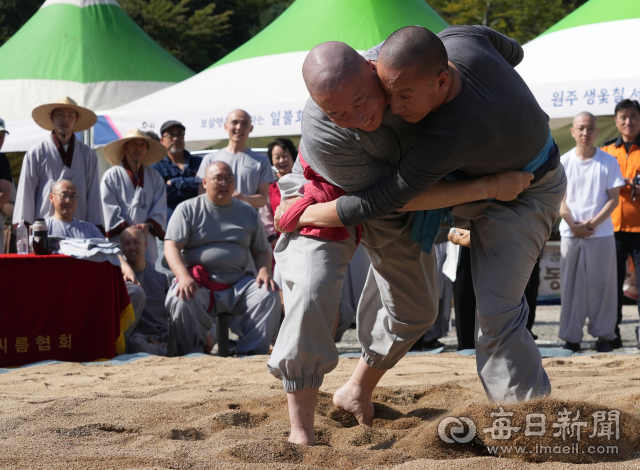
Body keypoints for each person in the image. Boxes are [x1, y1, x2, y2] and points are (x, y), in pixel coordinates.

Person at [277, 25, 565, 422]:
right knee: (324, 287)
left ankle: (524, 416)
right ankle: (309, 419)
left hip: (506, 189)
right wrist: (311, 212)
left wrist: (491, 175)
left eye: (400, 96)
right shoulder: (452, 49)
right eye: (339, 113)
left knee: (463, 310)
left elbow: (392, 196)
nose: (387, 109)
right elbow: (385, 201)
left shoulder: (439, 112)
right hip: (372, 191)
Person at [164, 161, 281, 356]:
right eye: (218, 178)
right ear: (205, 182)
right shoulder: (187, 209)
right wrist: (183, 276)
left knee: (268, 293)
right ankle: (194, 352)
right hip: (199, 283)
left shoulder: (248, 212)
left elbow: (261, 250)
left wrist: (264, 271)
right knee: (181, 297)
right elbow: (171, 246)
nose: (224, 183)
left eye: (229, 179)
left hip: (238, 283)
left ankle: (251, 352)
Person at [559, 112, 624, 353]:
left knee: (603, 286)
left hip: (602, 233)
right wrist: (573, 224)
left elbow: (613, 199)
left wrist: (592, 223)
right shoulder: (563, 162)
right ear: (573, 131)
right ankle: (571, 337)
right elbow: (559, 199)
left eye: (590, 128)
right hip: (570, 232)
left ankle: (604, 335)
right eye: (581, 128)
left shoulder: (608, 161)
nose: (585, 133)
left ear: (597, 131)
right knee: (571, 287)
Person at [13, 97, 103, 233]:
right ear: (51, 117)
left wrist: (96, 230)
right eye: (60, 114)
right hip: (44, 230)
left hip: (80, 231)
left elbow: (94, 195)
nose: (65, 120)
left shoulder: (88, 155)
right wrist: (24, 229)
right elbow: (26, 193)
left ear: (76, 120)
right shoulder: (36, 152)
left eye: (70, 115)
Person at [601, 99, 640, 349]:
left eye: (633, 116)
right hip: (612, 228)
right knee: (612, 285)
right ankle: (610, 334)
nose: (628, 122)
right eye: (623, 117)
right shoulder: (605, 151)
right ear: (616, 121)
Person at [101, 128, 168, 265]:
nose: (139, 148)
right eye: (134, 144)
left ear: (147, 148)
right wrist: (129, 230)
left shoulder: (155, 177)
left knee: (149, 278)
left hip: (146, 239)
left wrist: (148, 226)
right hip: (120, 238)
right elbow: (107, 209)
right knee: (121, 277)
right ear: (125, 147)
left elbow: (160, 209)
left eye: (142, 144)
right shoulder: (111, 176)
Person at [151, 121, 202, 277]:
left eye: (179, 134)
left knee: (198, 273)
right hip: (167, 233)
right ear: (162, 140)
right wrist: (193, 183)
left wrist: (174, 182)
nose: (176, 138)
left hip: (198, 231)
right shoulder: (155, 166)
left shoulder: (198, 163)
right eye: (171, 135)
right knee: (166, 275)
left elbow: (206, 189)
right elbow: (162, 193)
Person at [197, 110, 274, 209]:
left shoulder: (261, 161)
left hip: (246, 220)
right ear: (226, 126)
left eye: (244, 124)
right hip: (215, 219)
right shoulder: (209, 159)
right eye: (234, 122)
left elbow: (263, 199)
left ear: (251, 128)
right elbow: (202, 195)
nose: (239, 127)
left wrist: (242, 199)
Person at [120, 227, 171, 356]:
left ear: (145, 245)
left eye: (136, 242)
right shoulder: (121, 280)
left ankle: (167, 348)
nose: (132, 247)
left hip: (164, 333)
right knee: (134, 343)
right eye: (127, 244)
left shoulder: (161, 274)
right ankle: (170, 351)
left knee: (210, 331)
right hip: (140, 337)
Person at [0, 118, 14, 253]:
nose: (0, 139)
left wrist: (3, 202)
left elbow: (10, 208)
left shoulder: (2, 162)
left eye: (2, 136)